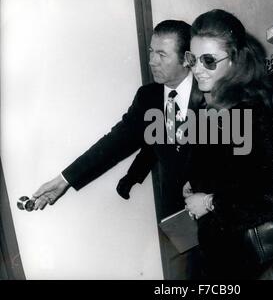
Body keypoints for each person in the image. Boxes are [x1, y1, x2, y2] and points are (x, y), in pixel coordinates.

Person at [31, 20, 205, 280]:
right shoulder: (148, 98)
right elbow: (112, 144)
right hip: (176, 213)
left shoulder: (213, 92)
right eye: (150, 52)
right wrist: (64, 179)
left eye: (161, 54)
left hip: (217, 209)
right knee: (184, 277)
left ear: (186, 59)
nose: (151, 61)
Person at [183, 9, 273, 279]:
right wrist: (195, 183)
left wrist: (211, 202)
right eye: (192, 58)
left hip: (240, 258)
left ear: (234, 61)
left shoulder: (246, 114)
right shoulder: (209, 101)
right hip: (215, 247)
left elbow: (265, 197)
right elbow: (225, 170)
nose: (197, 69)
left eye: (209, 60)